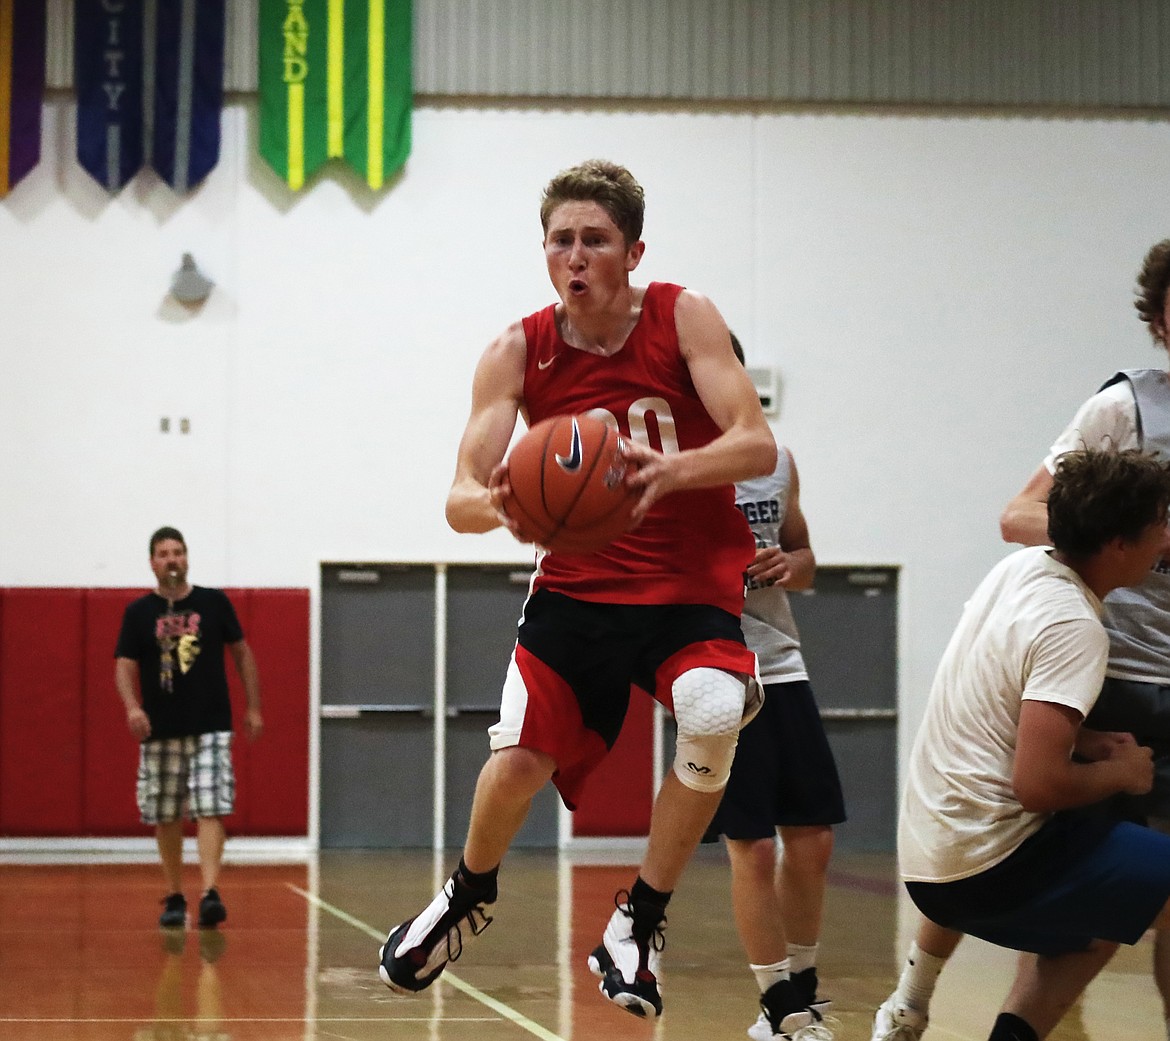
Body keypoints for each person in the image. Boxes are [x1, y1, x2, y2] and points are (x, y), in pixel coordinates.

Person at [377, 159, 784, 1023]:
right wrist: (502, 504)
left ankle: (639, 916)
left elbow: (754, 444)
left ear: (633, 250)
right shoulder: (518, 349)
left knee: (714, 710)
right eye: (561, 240)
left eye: (595, 240)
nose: (576, 255)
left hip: (686, 584)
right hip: (579, 589)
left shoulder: (685, 316)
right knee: (520, 758)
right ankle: (467, 892)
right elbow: (457, 501)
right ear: (545, 252)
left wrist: (673, 472)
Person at [872, 238, 1170, 1041]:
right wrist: (1136, 535)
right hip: (1122, 669)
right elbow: (1020, 514)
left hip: (948, 838)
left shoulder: (1035, 590)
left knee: (1116, 881)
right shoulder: (1124, 412)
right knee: (1100, 856)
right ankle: (916, 990)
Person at [894, 448, 1170, 1041]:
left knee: (1096, 931)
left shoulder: (1019, 570)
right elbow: (1038, 786)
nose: (1167, 539)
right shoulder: (1074, 626)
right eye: (1159, 526)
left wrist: (1089, 740)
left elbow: (999, 695)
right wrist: (1124, 774)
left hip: (927, 858)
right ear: (1119, 545)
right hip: (986, 865)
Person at [701, 332, 843, 1041]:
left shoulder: (775, 460)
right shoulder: (670, 472)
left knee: (812, 838)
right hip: (715, 667)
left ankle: (806, 991)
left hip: (783, 661)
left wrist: (792, 563)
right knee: (751, 845)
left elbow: (808, 555)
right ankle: (777, 1005)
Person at [115, 526, 263, 930]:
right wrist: (132, 708)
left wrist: (253, 707)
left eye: (178, 552)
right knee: (166, 812)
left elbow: (242, 653)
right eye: (163, 553)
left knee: (211, 805)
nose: (172, 559)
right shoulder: (139, 613)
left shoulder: (212, 603)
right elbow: (124, 666)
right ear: (152, 562)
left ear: (187, 557)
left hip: (210, 725)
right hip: (160, 729)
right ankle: (175, 894)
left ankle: (211, 892)